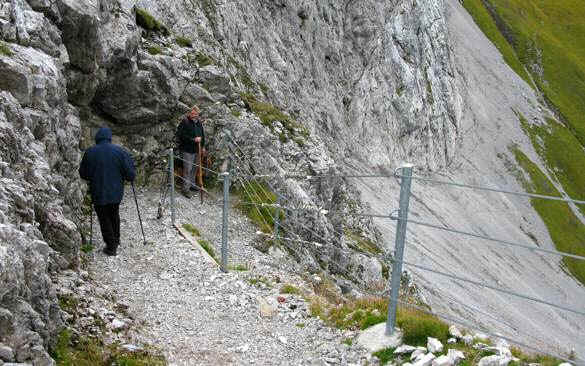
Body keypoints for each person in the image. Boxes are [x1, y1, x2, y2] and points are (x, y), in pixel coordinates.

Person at [79, 127, 136, 256]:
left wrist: (92, 176)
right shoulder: (120, 151)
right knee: (114, 214)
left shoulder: (90, 152)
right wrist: (129, 176)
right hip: (116, 191)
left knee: (103, 217)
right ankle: (115, 239)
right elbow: (130, 174)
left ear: (97, 138)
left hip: (98, 190)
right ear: (109, 138)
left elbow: (83, 173)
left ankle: (111, 247)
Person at [176, 105, 206, 198]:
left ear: (198, 114)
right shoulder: (185, 122)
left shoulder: (199, 123)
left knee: (194, 168)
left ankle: (192, 185)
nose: (194, 115)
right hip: (187, 150)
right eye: (192, 113)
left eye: (195, 114)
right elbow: (180, 135)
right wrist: (193, 140)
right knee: (187, 169)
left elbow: (202, 135)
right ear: (189, 113)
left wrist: (203, 146)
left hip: (197, 150)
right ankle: (185, 189)